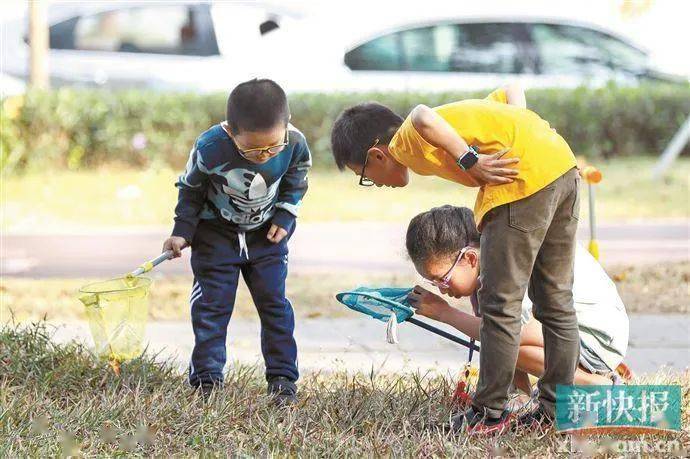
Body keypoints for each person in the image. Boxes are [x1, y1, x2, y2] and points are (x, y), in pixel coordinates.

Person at [330, 83, 580, 434]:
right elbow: (510, 91)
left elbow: (420, 114)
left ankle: (488, 413)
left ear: (377, 156)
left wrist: (469, 160)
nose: (375, 182)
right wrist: (524, 134)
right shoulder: (460, 119)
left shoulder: (404, 141)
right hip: (561, 167)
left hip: (521, 186)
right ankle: (555, 410)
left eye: (365, 177)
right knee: (556, 301)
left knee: (500, 306)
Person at [162, 78, 312, 405]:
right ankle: (207, 380)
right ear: (232, 132)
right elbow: (190, 190)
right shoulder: (210, 148)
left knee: (275, 305)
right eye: (253, 150)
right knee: (212, 307)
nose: (265, 155)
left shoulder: (295, 143)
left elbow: (297, 180)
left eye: (273, 147)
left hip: (266, 236)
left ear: (286, 126)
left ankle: (283, 378)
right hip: (215, 235)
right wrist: (182, 231)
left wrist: (286, 216)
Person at [405, 205, 629, 398]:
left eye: (442, 279)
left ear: (470, 258)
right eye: (433, 283)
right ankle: (519, 393)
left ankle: (597, 385)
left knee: (503, 339)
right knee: (499, 331)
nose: (442, 290)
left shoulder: (505, 263)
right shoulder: (488, 260)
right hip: (570, 330)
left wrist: (445, 314)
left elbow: (513, 333)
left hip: (598, 340)